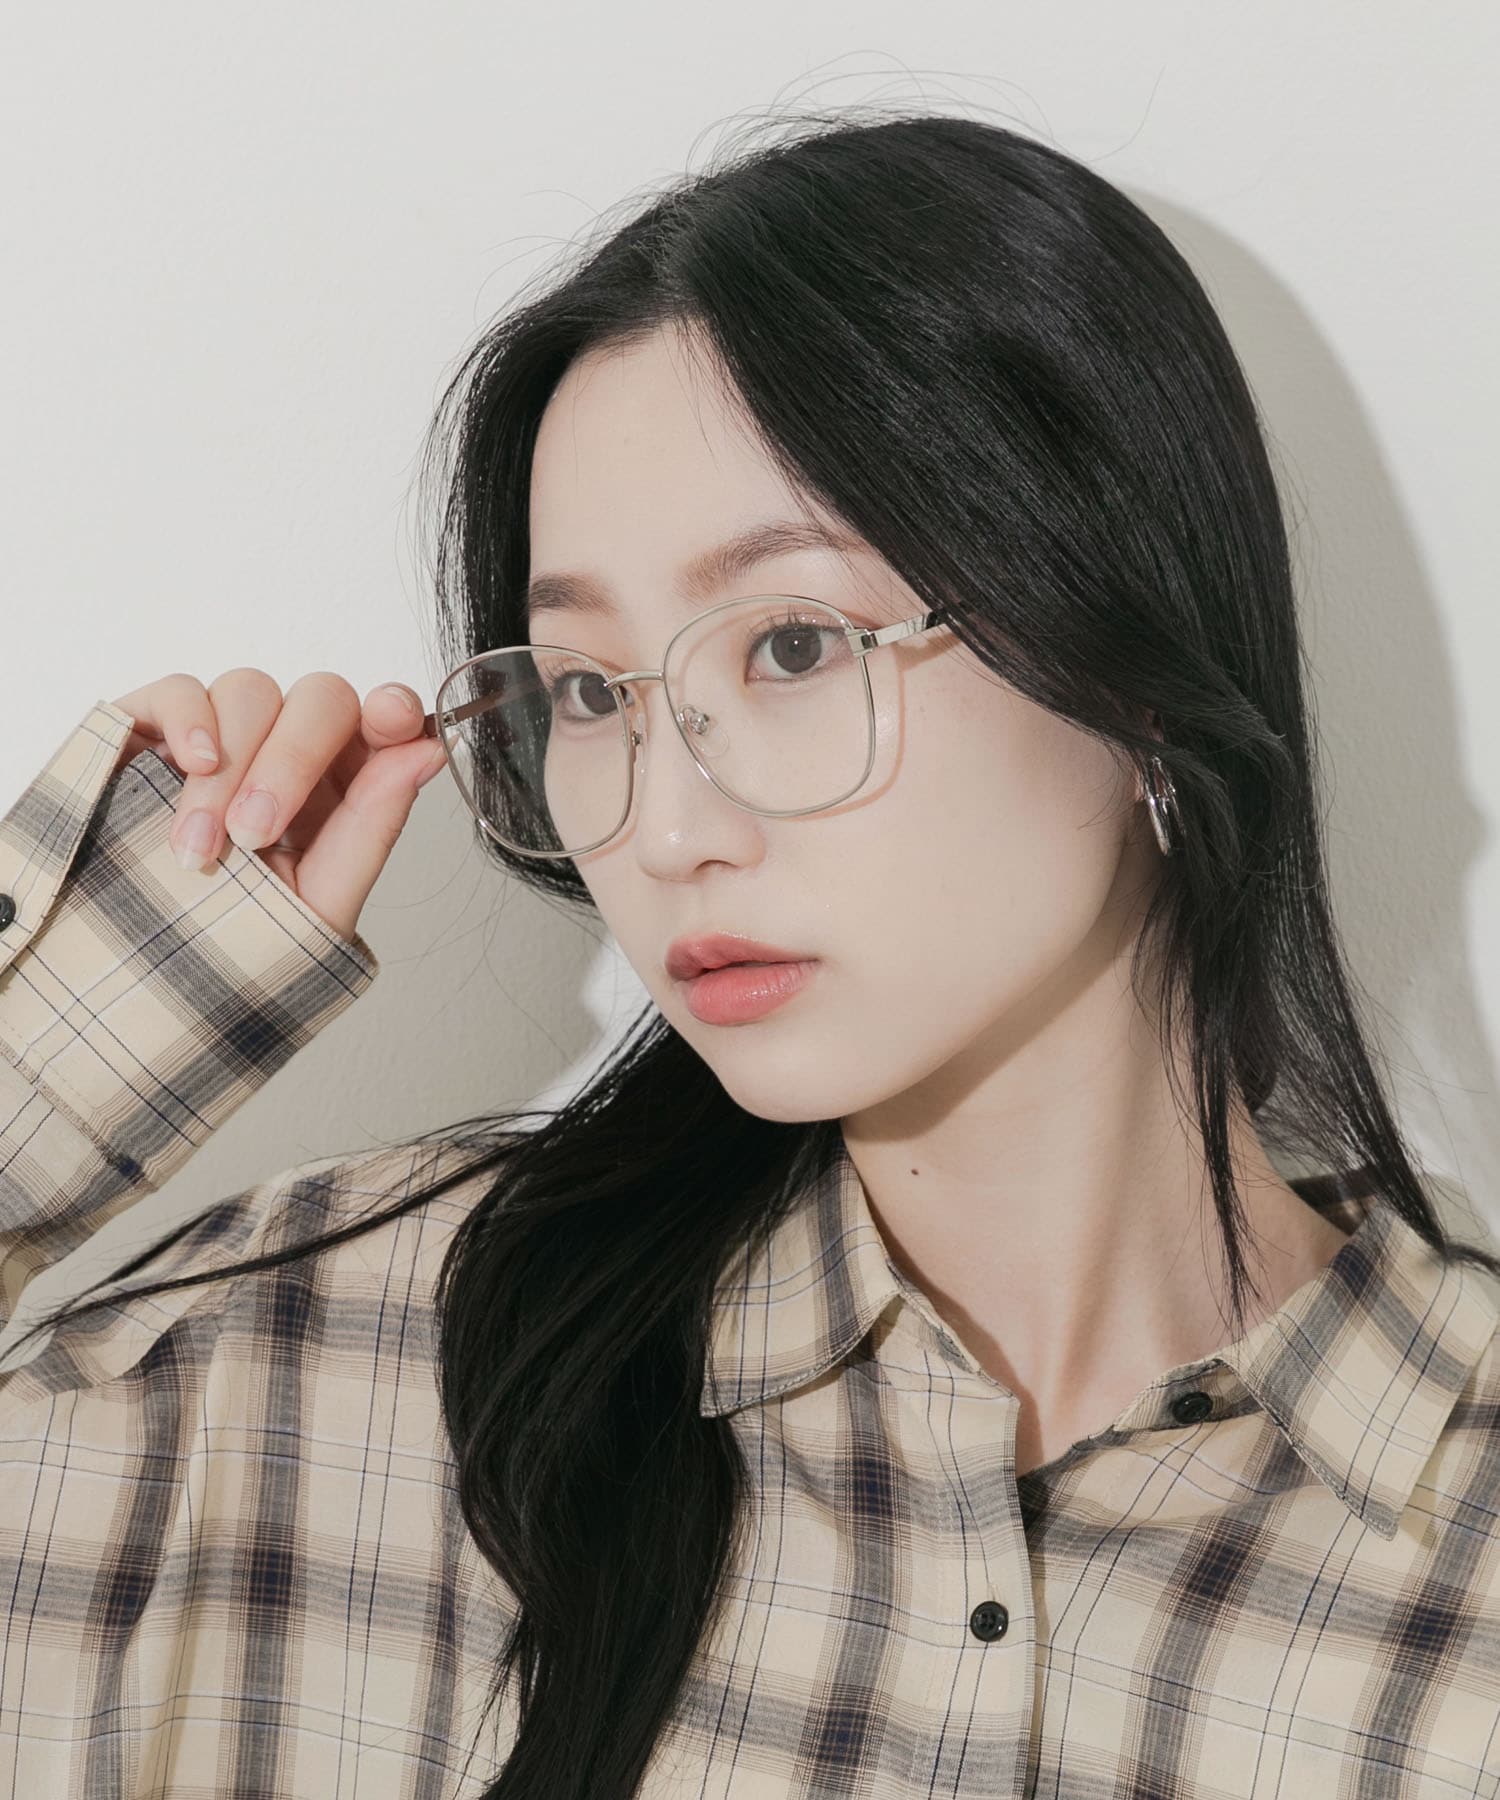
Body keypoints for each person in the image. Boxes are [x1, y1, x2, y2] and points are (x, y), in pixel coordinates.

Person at [2, 105, 1497, 1800]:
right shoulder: (316, 1382)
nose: (664, 829)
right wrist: (59, 1048)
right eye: (590, 691)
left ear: (1136, 667)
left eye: (791, 646)